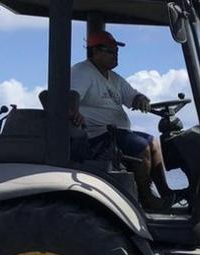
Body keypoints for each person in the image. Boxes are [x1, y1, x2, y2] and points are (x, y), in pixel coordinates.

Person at [70, 30, 179, 210]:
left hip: (117, 133)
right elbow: (71, 95)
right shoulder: (82, 72)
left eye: (116, 51)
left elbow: (132, 96)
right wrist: (73, 110)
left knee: (154, 143)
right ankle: (145, 198)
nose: (116, 55)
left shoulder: (114, 78)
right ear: (95, 51)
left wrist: (141, 100)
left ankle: (166, 193)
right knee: (141, 146)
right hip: (97, 136)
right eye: (111, 51)